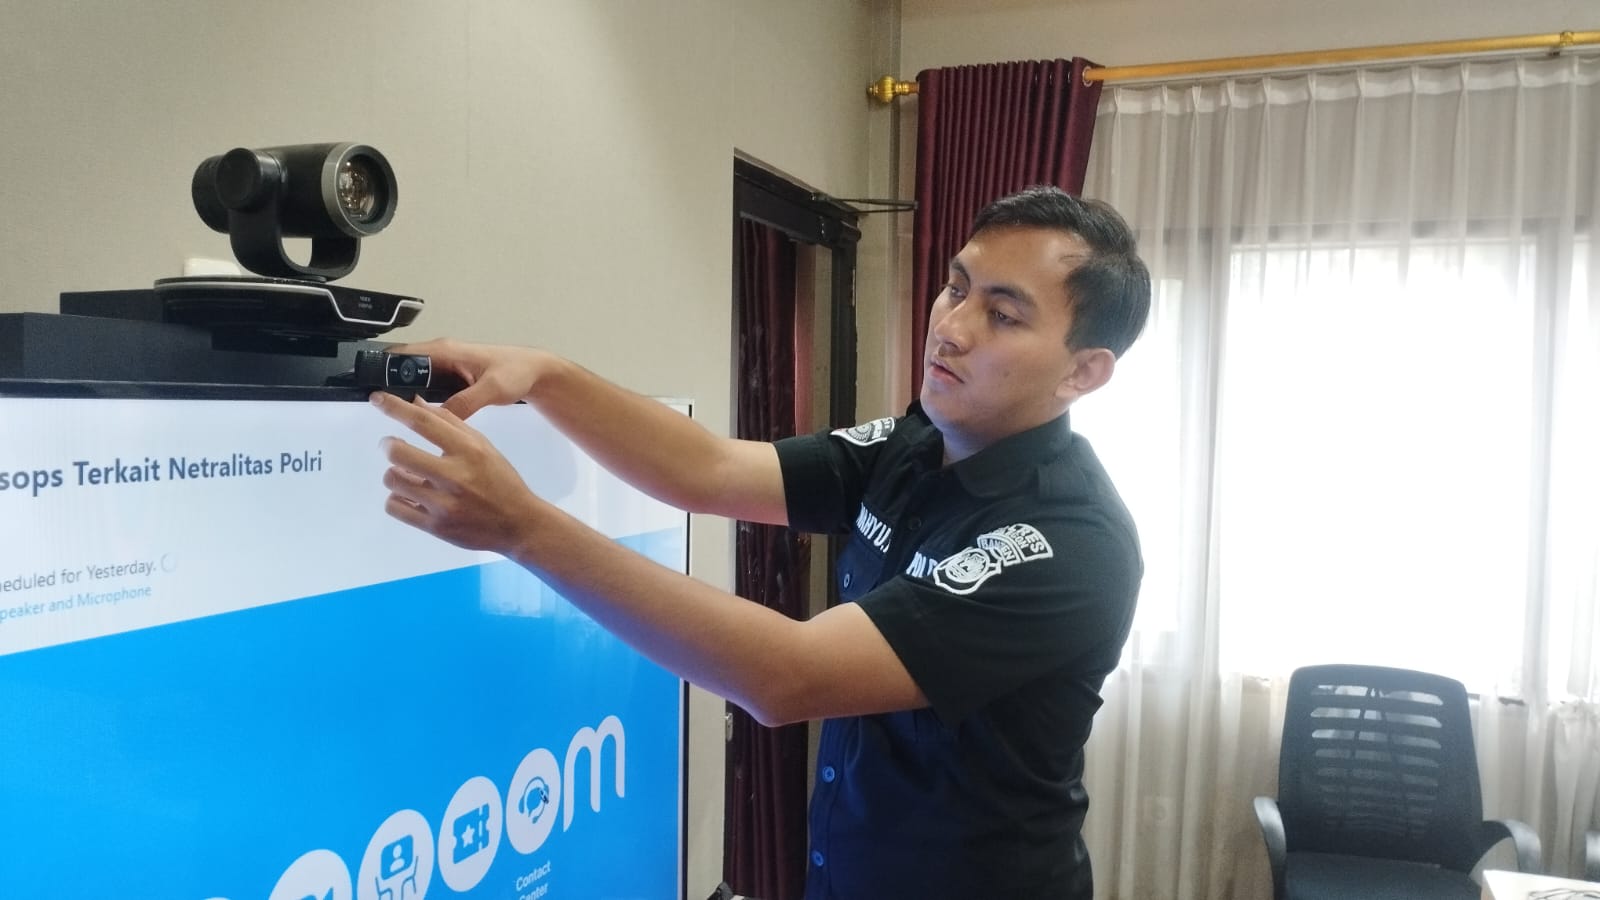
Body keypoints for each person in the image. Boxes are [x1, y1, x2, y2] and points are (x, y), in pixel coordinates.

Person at [370, 185, 1151, 899]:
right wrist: (545, 376)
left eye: (1003, 316)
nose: (951, 328)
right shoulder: (915, 444)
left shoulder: (1069, 541)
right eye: (956, 287)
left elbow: (787, 676)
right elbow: (709, 469)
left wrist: (524, 528)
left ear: (1083, 373)